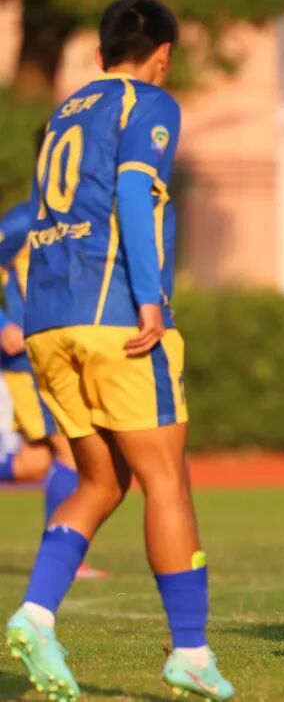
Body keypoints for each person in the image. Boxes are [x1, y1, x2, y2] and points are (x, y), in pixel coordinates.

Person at [4, 0, 233, 700]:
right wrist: (149, 298)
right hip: (115, 319)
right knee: (168, 480)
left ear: (101, 54)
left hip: (48, 324)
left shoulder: (66, 112)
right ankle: (190, 652)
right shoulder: (150, 102)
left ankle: (36, 615)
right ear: (163, 54)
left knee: (100, 481)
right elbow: (135, 195)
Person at [0, 195, 106, 579]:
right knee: (72, 449)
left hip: (63, 357)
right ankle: (64, 560)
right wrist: (2, 325)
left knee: (36, 462)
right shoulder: (23, 220)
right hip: (27, 361)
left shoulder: (89, 218)